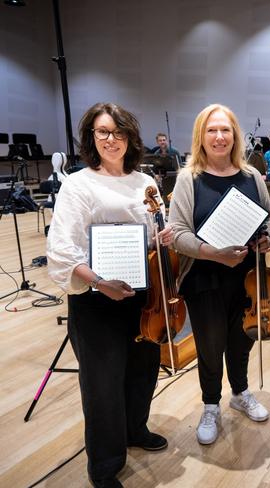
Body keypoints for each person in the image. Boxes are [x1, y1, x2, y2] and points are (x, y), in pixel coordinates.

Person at [47, 102, 173, 488]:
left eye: (118, 132)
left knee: (143, 369)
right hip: (96, 299)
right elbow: (61, 248)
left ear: (130, 138)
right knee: (102, 383)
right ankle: (104, 464)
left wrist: (161, 237)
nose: (111, 139)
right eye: (103, 132)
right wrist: (99, 281)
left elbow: (153, 232)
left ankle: (135, 429)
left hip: (141, 297)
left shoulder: (145, 182)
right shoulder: (78, 184)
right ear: (91, 137)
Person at [168, 104, 270, 446]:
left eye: (225, 130)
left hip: (245, 276)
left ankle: (240, 393)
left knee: (242, 339)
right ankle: (211, 404)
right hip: (204, 277)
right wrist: (211, 252)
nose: (219, 136)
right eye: (211, 130)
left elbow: (267, 220)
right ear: (201, 136)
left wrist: (266, 239)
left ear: (235, 135)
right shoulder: (189, 179)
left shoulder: (251, 177)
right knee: (211, 347)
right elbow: (178, 232)